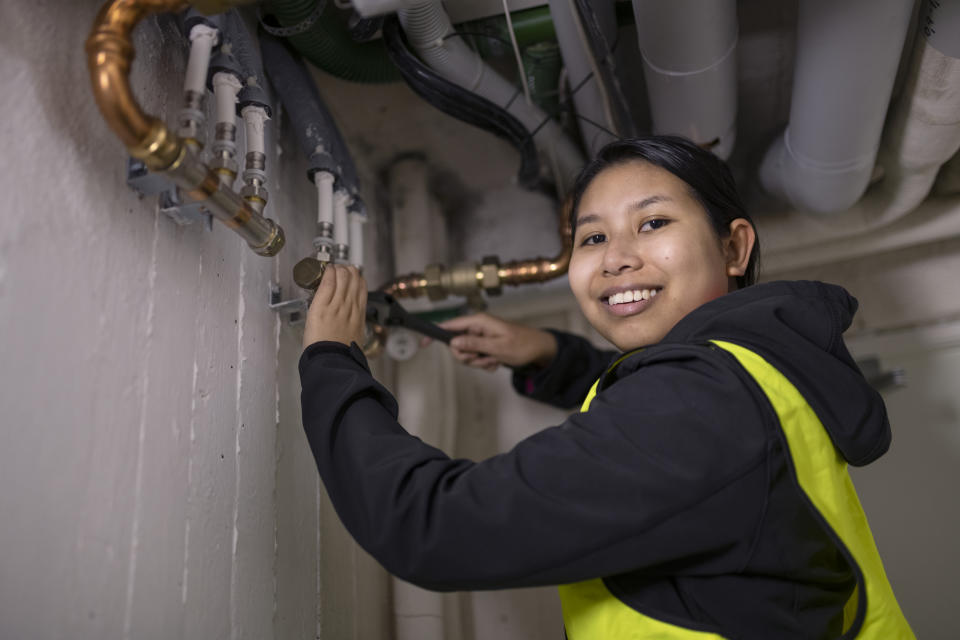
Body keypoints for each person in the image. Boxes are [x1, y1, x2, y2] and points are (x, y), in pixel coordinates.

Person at [299, 136, 914, 639]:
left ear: (733, 246)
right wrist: (548, 353)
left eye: (652, 222)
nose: (616, 258)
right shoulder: (757, 372)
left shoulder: (702, 402)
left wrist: (331, 361)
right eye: (592, 237)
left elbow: (433, 526)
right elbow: (676, 436)